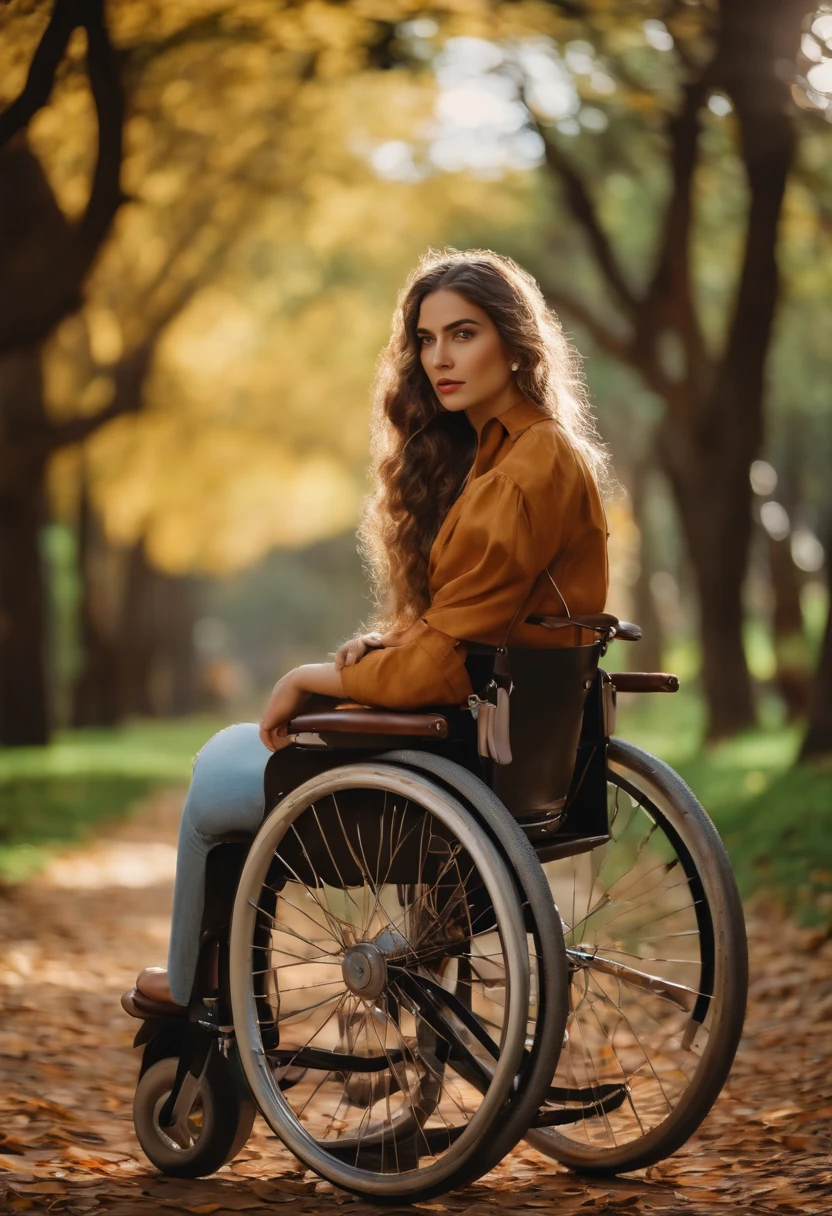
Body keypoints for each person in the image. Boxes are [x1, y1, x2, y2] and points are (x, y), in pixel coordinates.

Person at [129, 247, 611, 1013]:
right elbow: (480, 625)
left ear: (515, 344)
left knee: (216, 771)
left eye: (464, 334)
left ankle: (195, 990)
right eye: (425, 340)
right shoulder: (527, 454)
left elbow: (446, 665)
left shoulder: (519, 474)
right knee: (236, 762)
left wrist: (311, 678)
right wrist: (391, 645)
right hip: (500, 747)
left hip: (451, 758)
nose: (439, 359)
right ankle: (222, 985)